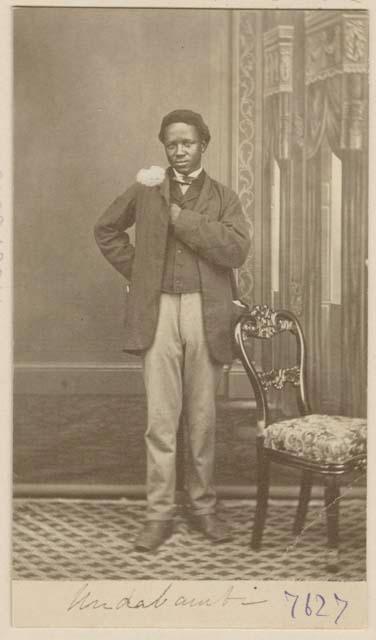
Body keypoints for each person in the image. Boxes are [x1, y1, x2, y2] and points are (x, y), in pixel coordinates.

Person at [94, 109, 250, 551]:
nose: (179, 151)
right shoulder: (147, 191)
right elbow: (105, 230)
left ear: (204, 144)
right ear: (164, 147)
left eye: (187, 142)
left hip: (207, 313)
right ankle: (158, 513)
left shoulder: (223, 197)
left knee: (202, 418)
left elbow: (236, 249)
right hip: (158, 311)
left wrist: (182, 219)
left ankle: (202, 508)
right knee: (161, 420)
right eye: (172, 143)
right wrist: (141, 271)